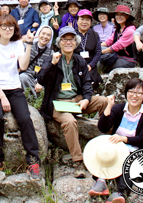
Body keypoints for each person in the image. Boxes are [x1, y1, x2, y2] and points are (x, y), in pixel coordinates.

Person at [37, 26, 108, 178]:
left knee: (103, 101)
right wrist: (52, 64)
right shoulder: (52, 58)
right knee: (70, 122)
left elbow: (87, 83)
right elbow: (41, 79)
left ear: (76, 43)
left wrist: (86, 100)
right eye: (64, 39)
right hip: (57, 103)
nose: (68, 42)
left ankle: (105, 145)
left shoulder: (79, 60)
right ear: (59, 42)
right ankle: (78, 161)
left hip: (76, 100)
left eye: (71, 39)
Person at [0, 14, 41, 180]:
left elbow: (22, 66)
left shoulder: (17, 45)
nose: (7, 29)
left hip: (14, 88)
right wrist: (2, 97)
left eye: (11, 27)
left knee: (25, 119)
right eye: (4, 26)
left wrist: (28, 43)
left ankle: (33, 160)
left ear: (15, 29)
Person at [88, 78, 143, 202]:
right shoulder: (119, 109)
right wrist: (109, 106)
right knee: (106, 153)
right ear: (126, 93)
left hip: (134, 150)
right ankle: (101, 181)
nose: (134, 96)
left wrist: (123, 139)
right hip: (115, 148)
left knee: (128, 161)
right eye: (131, 92)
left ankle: (120, 192)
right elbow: (103, 127)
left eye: (139, 93)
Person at [19, 25, 54, 100]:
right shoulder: (28, 46)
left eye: (48, 35)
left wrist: (40, 82)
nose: (45, 36)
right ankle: (33, 100)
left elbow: (48, 72)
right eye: (43, 33)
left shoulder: (51, 53)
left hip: (40, 81)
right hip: (27, 77)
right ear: (38, 34)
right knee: (23, 77)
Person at [101, 5, 138, 72]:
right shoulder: (118, 30)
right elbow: (108, 42)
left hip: (128, 60)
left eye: (122, 15)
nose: (119, 17)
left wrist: (100, 52)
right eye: (117, 15)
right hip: (118, 56)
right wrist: (97, 47)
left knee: (105, 67)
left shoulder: (130, 31)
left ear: (127, 16)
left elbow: (116, 46)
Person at [75, 9, 102, 89]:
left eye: (87, 20)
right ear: (77, 21)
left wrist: (91, 65)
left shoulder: (95, 35)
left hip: (90, 66)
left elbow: (98, 53)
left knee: (91, 79)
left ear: (90, 22)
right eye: (82, 19)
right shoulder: (72, 34)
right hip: (75, 65)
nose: (84, 22)